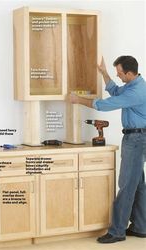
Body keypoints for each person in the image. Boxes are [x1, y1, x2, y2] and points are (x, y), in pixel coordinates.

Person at [70, 55, 146, 244]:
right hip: (138, 137)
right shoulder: (133, 85)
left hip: (136, 139)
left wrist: (78, 99)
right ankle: (141, 227)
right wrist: (103, 73)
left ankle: (117, 231)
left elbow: (105, 105)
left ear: (129, 73)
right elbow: (115, 91)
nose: (118, 76)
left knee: (127, 185)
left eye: (119, 73)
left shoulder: (136, 92)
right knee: (137, 184)